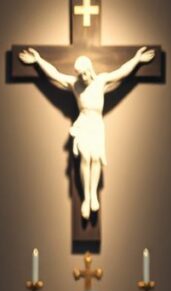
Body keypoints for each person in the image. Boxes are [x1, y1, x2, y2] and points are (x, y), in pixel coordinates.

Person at [18, 47, 156, 220]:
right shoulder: (75, 85)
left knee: (96, 158)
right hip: (83, 123)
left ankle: (93, 195)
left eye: (84, 73)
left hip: (96, 124)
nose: (82, 77)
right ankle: (86, 198)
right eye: (79, 74)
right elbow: (55, 74)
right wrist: (38, 60)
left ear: (90, 70)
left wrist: (137, 60)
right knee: (85, 158)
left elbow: (121, 73)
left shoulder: (101, 81)